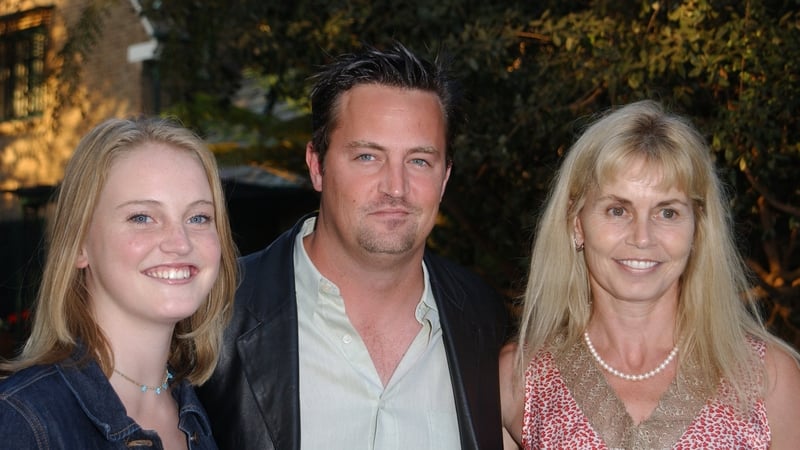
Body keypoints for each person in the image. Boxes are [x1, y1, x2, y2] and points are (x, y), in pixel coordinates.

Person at [197, 42, 510, 450]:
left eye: (419, 161)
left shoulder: (486, 323)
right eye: (367, 156)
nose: (395, 187)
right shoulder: (215, 315)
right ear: (317, 166)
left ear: (445, 177)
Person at [499, 99, 800, 449]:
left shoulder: (767, 380)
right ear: (576, 224)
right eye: (617, 210)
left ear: (698, 229)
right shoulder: (519, 380)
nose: (642, 238)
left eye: (667, 213)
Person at [0, 117, 239, 449]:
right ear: (79, 244)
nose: (180, 242)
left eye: (198, 217)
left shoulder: (201, 418)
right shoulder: (22, 422)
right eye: (141, 217)